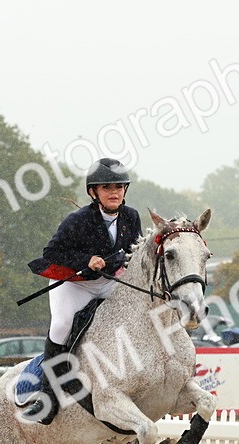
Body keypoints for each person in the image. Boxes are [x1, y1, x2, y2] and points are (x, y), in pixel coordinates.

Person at [25, 157, 142, 423]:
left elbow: (135, 251)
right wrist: (86, 260)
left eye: (119, 187)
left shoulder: (131, 217)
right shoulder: (77, 220)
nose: (114, 192)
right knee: (62, 324)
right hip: (75, 283)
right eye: (107, 187)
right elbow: (51, 253)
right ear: (93, 192)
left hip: (110, 281)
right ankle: (47, 398)